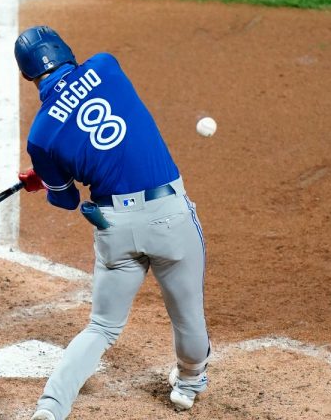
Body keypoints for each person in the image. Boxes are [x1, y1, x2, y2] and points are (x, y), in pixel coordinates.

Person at [14, 26, 212, 420]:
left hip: (114, 227)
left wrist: (47, 176)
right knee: (187, 312)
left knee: (101, 328)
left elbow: (67, 198)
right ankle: (189, 384)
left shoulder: (40, 139)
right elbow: (110, 134)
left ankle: (50, 410)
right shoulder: (105, 65)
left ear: (28, 74)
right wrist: (53, 171)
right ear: (64, 50)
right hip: (168, 215)